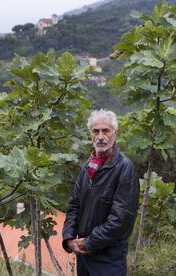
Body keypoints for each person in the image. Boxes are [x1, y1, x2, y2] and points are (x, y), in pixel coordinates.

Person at [62, 109, 139, 276]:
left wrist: (88, 243)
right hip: (84, 256)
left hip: (109, 257)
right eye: (96, 131)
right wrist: (68, 238)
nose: (100, 136)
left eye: (106, 131)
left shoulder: (124, 168)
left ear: (115, 133)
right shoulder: (87, 167)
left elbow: (120, 220)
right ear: (91, 134)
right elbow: (74, 205)